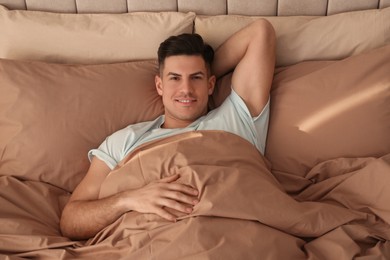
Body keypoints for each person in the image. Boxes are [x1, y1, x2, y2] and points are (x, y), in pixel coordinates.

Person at [60, 19, 276, 240]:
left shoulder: (238, 119)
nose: (186, 89)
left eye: (196, 78)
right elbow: (71, 220)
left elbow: (260, 31)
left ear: (211, 84)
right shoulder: (126, 140)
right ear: (159, 86)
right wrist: (129, 199)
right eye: (174, 78)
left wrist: (207, 71)